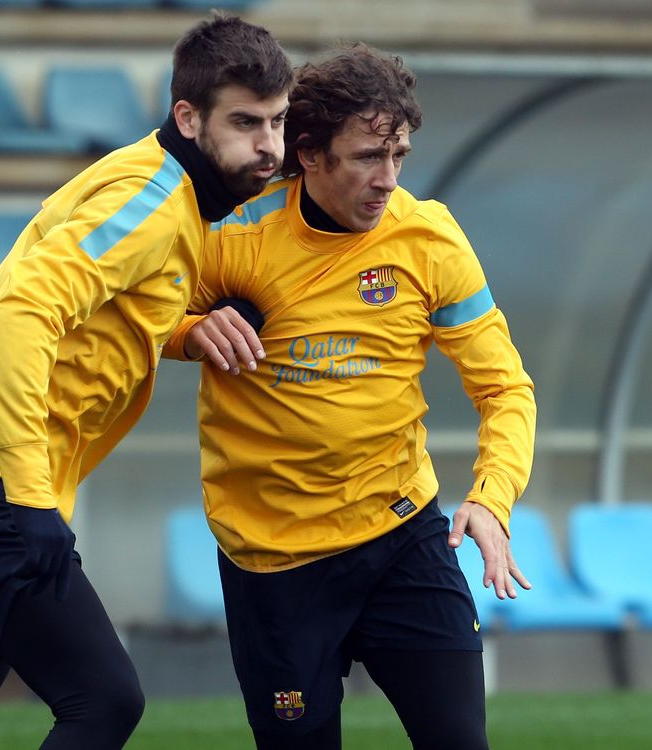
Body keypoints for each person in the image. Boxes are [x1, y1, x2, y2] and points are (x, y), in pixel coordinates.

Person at [0, 14, 292, 750]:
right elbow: (23, 314)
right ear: (188, 118)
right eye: (246, 123)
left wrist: (186, 330)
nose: (270, 146)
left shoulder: (168, 190)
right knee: (105, 700)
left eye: (278, 122)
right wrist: (29, 499)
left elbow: (100, 315)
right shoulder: (155, 203)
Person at [163, 44, 536, 750]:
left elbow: (504, 385)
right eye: (368, 156)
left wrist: (492, 496)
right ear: (307, 153)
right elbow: (133, 321)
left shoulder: (429, 239)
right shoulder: (232, 237)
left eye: (399, 156)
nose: (387, 179)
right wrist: (191, 332)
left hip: (401, 533)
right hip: (275, 559)